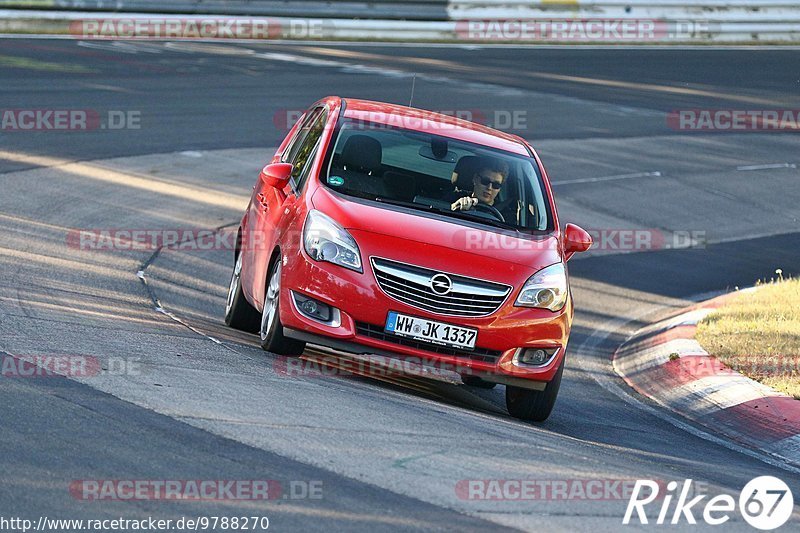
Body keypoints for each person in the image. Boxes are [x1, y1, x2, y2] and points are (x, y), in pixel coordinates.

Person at [449, 157, 518, 224]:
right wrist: (453, 209)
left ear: (500, 188)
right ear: (475, 178)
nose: (489, 188)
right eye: (485, 181)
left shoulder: (506, 215)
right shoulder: (454, 198)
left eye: (496, 185)